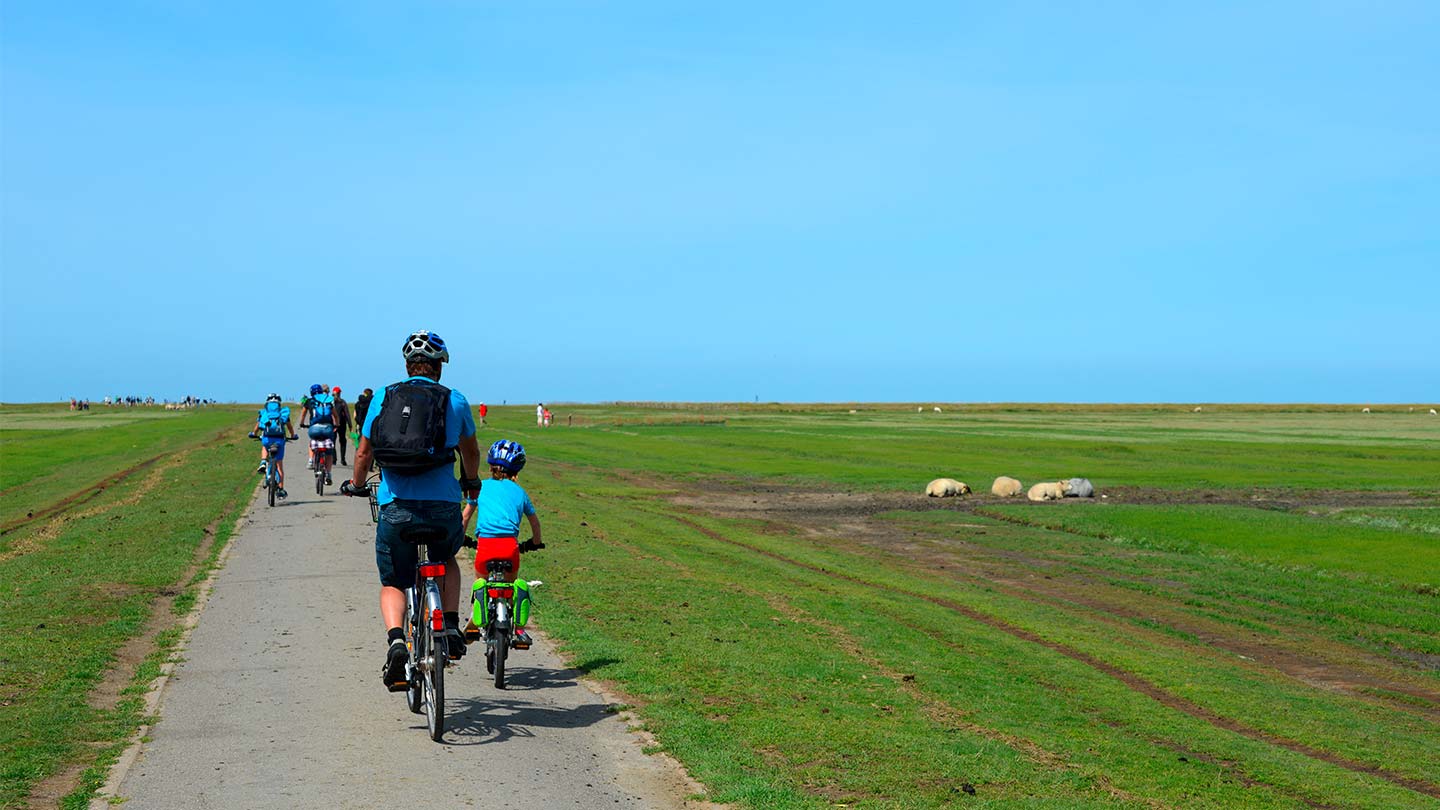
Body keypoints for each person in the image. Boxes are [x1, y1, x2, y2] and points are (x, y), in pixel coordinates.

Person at [342, 330, 482, 688]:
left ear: (408, 366)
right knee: (447, 558)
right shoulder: (456, 400)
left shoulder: (384, 398)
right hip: (442, 507)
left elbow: (363, 452)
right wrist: (471, 482)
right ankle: (449, 624)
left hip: (396, 508)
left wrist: (357, 485)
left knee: (394, 580)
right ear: (439, 368)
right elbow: (470, 452)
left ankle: (395, 643)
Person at [461, 439, 544, 648]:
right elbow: (535, 522)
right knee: (510, 584)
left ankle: (476, 612)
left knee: (480, 580)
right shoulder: (520, 492)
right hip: (510, 547)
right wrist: (535, 542)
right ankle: (516, 626)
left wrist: (461, 537)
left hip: (486, 546)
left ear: (490, 465)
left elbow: (465, 517)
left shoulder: (480, 488)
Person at [249, 393, 298, 498]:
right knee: (279, 466)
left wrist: (253, 434)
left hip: (267, 439)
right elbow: (289, 427)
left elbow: (257, 427)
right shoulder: (283, 413)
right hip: (280, 440)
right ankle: (280, 489)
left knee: (264, 445)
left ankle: (263, 462)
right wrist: (293, 435)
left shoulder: (264, 413)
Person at [302, 383, 338, 480]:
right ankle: (329, 473)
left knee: (312, 441)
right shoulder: (328, 400)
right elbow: (335, 415)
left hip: (314, 428)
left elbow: (303, 414)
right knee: (329, 452)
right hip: (328, 429)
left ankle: (310, 460)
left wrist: (302, 424)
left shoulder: (310, 401)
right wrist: (336, 424)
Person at [333, 386, 353, 465]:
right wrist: (350, 425)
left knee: (333, 442)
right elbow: (347, 414)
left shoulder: (331, 402)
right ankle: (342, 459)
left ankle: (334, 459)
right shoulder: (342, 402)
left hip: (334, 424)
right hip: (341, 424)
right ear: (339, 393)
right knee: (342, 441)